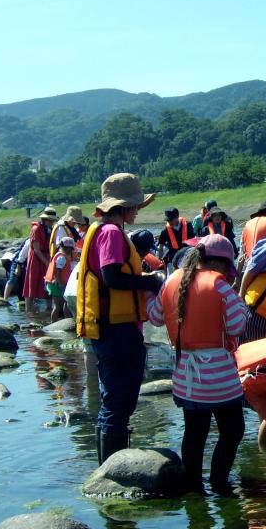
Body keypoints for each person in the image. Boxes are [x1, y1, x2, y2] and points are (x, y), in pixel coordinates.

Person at [146, 234, 250, 494]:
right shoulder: (219, 285)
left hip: (186, 378)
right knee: (233, 431)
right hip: (220, 379)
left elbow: (155, 316)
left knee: (194, 433)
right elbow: (238, 324)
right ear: (219, 263)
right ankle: (219, 482)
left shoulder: (172, 279)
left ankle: (194, 487)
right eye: (228, 267)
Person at [76, 173, 162, 464]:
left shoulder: (101, 229)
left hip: (108, 327)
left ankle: (108, 466)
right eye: (135, 205)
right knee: (119, 400)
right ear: (122, 207)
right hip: (117, 328)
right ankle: (113, 468)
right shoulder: (112, 233)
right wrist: (150, 283)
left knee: (113, 398)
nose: (138, 210)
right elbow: (112, 276)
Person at [23, 206, 57, 312]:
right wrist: (46, 262)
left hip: (47, 255)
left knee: (48, 280)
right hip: (36, 258)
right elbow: (36, 249)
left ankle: (49, 307)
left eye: (52, 221)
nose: (52, 223)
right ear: (45, 219)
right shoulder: (36, 228)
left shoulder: (50, 229)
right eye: (50, 220)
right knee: (32, 281)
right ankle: (28, 308)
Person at [45, 236, 76, 321]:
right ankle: (54, 322)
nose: (71, 251)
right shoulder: (62, 257)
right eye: (70, 249)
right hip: (57, 284)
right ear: (66, 248)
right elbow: (58, 270)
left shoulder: (60, 255)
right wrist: (59, 283)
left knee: (66, 302)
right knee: (57, 305)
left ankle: (67, 319)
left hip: (57, 283)